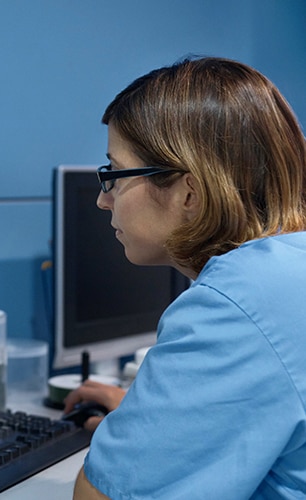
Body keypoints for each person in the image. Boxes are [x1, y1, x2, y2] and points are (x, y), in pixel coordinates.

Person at [66, 57, 306, 499]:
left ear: (189, 193)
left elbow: (99, 497)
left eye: (114, 175)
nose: (104, 201)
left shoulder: (237, 304)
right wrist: (153, 420)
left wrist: (132, 437)